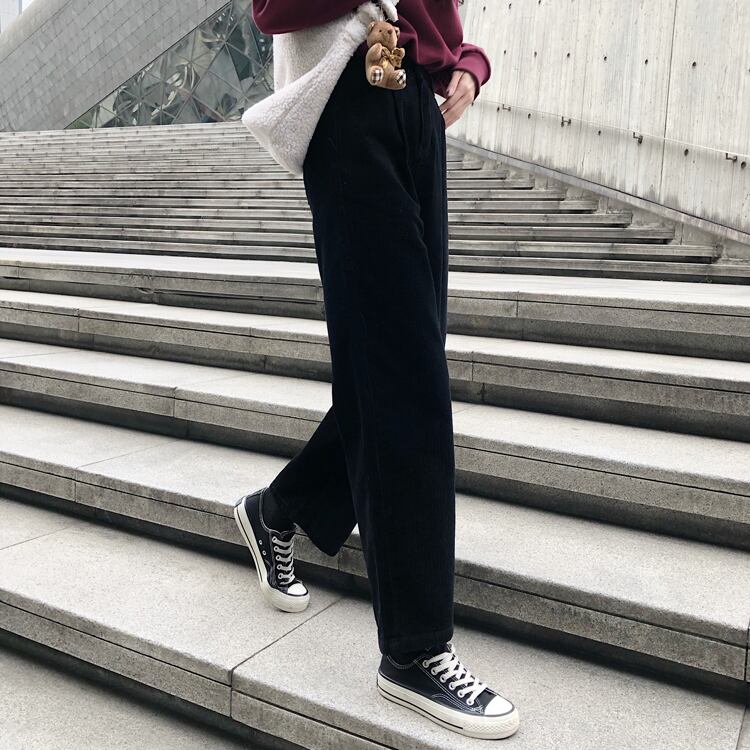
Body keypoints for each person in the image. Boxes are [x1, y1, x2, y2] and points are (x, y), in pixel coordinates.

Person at [233, 0, 520, 740]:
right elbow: (270, 10)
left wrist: (466, 64)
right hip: (349, 106)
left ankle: (279, 509)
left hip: (416, 108)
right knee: (405, 380)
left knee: (400, 366)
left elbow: (439, 15)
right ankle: (415, 651)